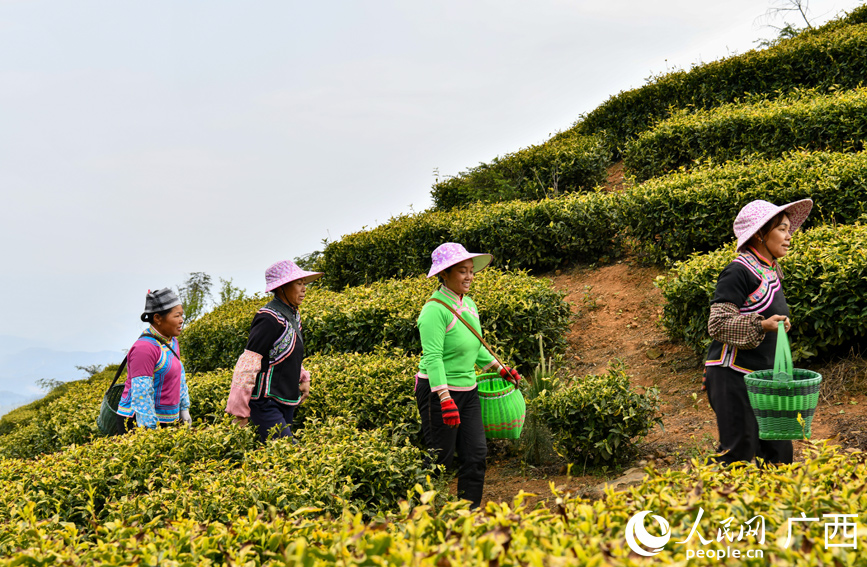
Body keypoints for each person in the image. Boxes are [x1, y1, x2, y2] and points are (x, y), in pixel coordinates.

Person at [704, 198, 813, 466]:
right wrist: (760, 324)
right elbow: (717, 324)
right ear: (760, 233)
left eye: (789, 230)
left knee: (779, 452)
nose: (789, 237)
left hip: (766, 378)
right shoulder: (739, 271)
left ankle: (775, 506)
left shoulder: (771, 271)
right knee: (738, 453)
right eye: (782, 229)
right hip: (733, 375)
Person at [414, 242, 522, 508]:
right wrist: (444, 396)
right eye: (462, 271)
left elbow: (474, 345)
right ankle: (421, 513)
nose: (469, 276)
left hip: (468, 390)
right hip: (439, 393)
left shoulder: (468, 304)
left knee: (476, 453)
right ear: (445, 274)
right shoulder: (433, 311)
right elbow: (433, 357)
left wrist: (500, 368)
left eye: (471, 271)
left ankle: (467, 511)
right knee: (441, 458)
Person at [225, 260, 322, 443]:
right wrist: (240, 410)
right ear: (282, 287)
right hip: (265, 402)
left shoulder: (293, 315)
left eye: (304, 283)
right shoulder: (268, 318)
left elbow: (288, 352)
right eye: (298, 283)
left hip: (286, 400)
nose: (304, 289)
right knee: (289, 451)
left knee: (277, 459)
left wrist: (303, 378)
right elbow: (249, 361)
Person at [116, 288, 191, 432]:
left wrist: (184, 408)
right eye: (177, 316)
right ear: (157, 318)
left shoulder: (172, 341)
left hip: (167, 418)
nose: (181, 320)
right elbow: (141, 393)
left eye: (182, 315)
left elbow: (179, 377)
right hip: (137, 422)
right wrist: (149, 431)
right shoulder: (144, 348)